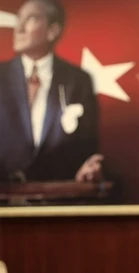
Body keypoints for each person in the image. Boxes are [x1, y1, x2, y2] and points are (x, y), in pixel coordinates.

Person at [0, 0, 102, 183]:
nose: (19, 28)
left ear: (52, 31)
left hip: (60, 193)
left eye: (31, 19)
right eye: (18, 19)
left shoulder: (79, 81)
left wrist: (86, 168)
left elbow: (87, 147)